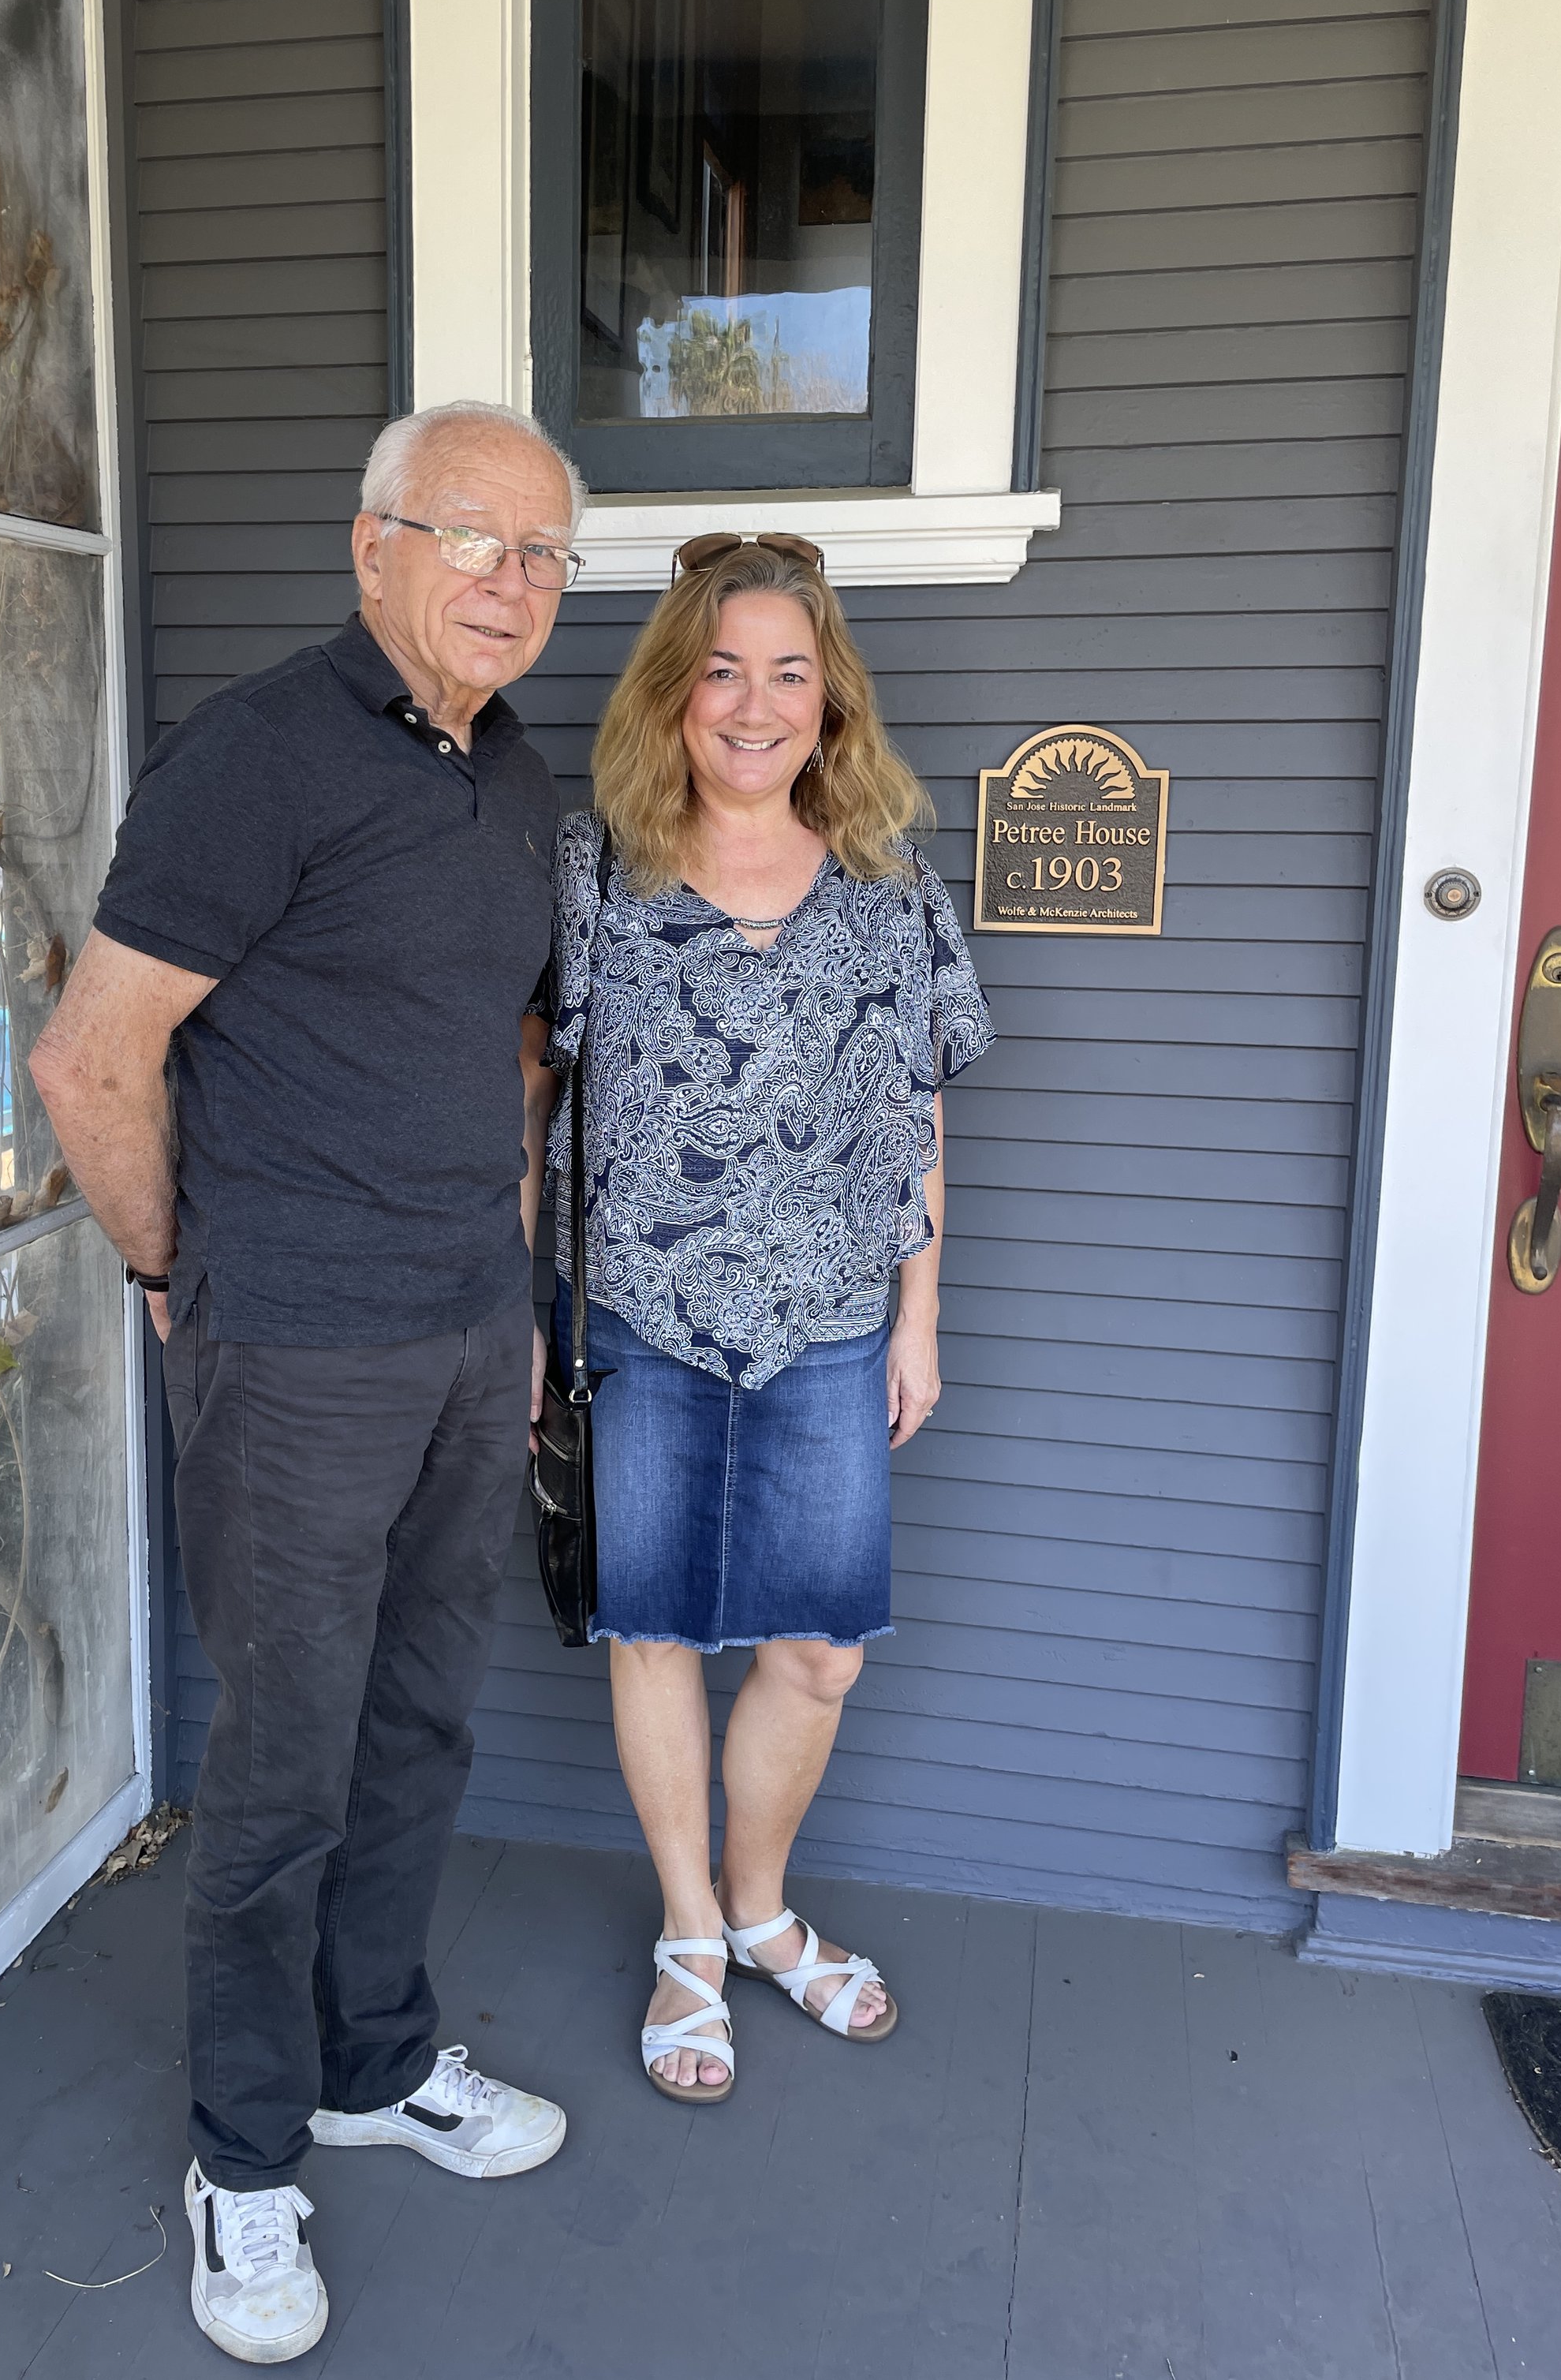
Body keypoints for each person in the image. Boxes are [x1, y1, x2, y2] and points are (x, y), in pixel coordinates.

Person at [32, 400, 585, 2364]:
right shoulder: (254, 758)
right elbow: (91, 1060)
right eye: (473, 539)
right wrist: (177, 1266)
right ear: (372, 549)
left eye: (543, 554)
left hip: (458, 1326)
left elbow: (498, 1057)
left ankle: (376, 2061)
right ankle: (242, 2156)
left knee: (419, 1718)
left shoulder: (513, 777)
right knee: (277, 1772)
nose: (511, 583)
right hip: (293, 1339)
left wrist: (511, 1299)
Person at [532, 533, 993, 2103]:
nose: (752, 701)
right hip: (640, 1314)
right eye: (719, 668)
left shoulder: (886, 886)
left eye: (786, 670)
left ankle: (759, 1909)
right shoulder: (590, 866)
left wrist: (920, 1314)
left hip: (830, 1319)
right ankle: (683, 1934)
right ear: (669, 692)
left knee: (812, 1653)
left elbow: (917, 1104)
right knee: (650, 1626)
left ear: (827, 701)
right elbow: (534, 1088)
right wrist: (532, 1304)